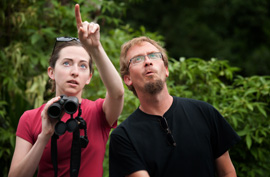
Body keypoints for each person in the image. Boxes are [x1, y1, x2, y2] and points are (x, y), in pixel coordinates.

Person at [8, 4, 124, 177]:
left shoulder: (98, 112)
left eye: (83, 66)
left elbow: (117, 93)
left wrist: (95, 48)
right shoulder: (31, 118)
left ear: (89, 77)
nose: (75, 71)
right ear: (51, 72)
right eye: (67, 63)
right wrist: (44, 136)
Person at [109, 36, 241, 177]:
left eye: (153, 56)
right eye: (137, 59)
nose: (148, 62)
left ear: (166, 69)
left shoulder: (205, 112)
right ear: (128, 79)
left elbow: (227, 172)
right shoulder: (124, 137)